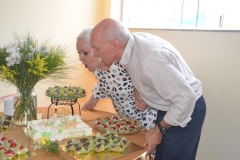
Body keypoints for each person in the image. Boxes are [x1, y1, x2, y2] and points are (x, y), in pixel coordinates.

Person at [90, 18, 206, 160]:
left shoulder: (149, 61)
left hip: (186, 109)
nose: (96, 54)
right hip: (169, 107)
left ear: (114, 44)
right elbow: (142, 75)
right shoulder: (129, 45)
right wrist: (140, 92)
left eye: (97, 48)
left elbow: (186, 98)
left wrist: (160, 129)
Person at [76, 27, 157, 131]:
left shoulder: (120, 62)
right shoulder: (96, 69)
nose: (80, 58)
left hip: (148, 122)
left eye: (85, 53)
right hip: (126, 123)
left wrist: (140, 93)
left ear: (97, 49)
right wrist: (93, 101)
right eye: (79, 53)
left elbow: (148, 78)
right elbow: (104, 83)